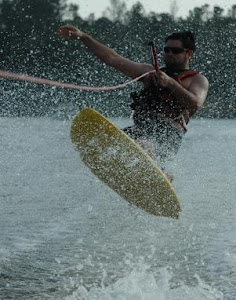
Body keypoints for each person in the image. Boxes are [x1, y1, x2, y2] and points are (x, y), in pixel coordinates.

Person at [58, 25, 209, 175]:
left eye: (175, 51)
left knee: (144, 146)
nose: (169, 54)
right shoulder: (150, 73)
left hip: (167, 134)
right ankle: (150, 169)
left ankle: (162, 173)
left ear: (189, 53)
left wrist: (170, 83)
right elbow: (113, 58)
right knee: (103, 144)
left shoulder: (197, 80)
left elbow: (195, 103)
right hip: (141, 128)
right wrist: (84, 37)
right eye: (166, 50)